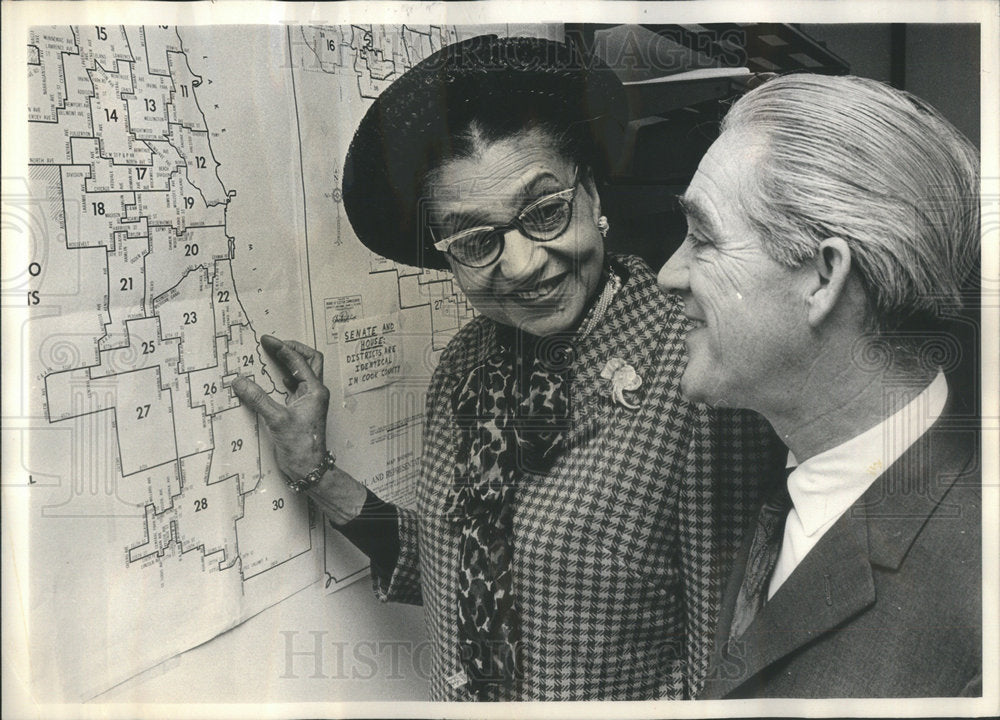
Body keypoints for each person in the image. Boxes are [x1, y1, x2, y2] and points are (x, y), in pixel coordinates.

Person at [233, 35, 777, 701]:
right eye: (476, 240)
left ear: (595, 196)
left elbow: (729, 664)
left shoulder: (697, 374)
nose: (521, 265)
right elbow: (452, 567)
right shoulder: (465, 367)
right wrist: (315, 473)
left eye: (546, 212)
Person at [657, 73, 981, 698]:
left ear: (823, 276)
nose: (669, 273)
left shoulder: (975, 616)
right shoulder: (771, 461)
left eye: (703, 238)